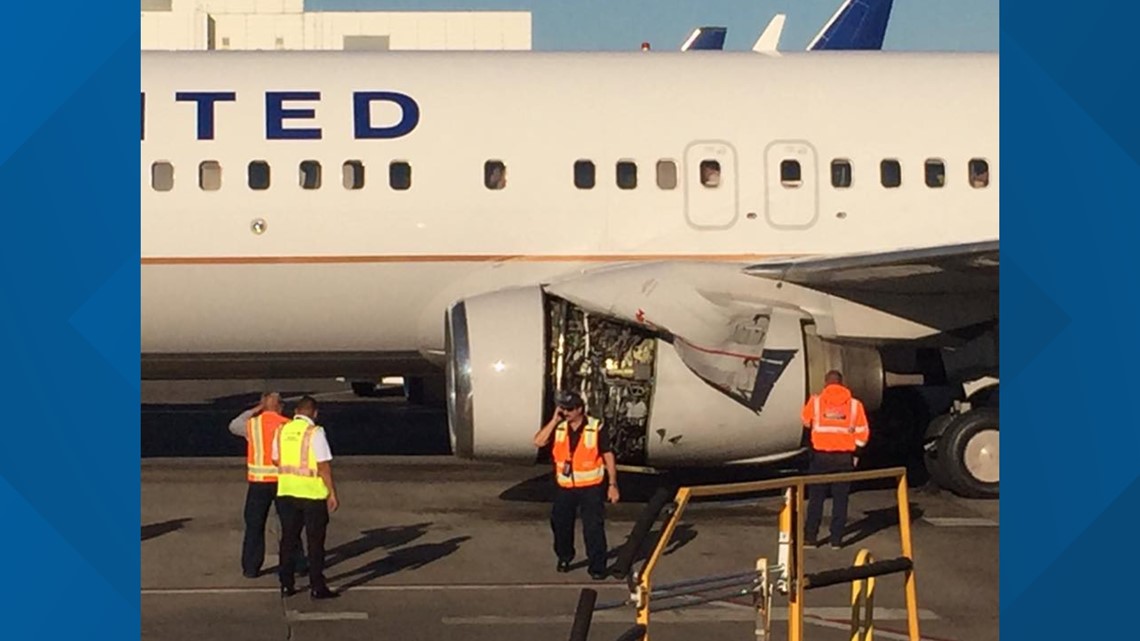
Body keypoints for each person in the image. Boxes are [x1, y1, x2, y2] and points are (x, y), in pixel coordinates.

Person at [533, 390, 620, 580]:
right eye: (563, 408)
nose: (566, 412)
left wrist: (612, 484)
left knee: (593, 528)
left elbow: (608, 456)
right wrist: (554, 420)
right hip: (565, 487)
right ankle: (564, 556)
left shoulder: (596, 427)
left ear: (580, 409)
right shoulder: (559, 427)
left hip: (591, 487)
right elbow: (538, 441)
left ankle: (597, 565)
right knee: (560, 524)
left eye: (570, 409)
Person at [273, 395, 340, 599]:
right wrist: (332, 493)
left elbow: (276, 459)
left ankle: (286, 584)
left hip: (286, 492)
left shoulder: (282, 430)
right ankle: (317, 586)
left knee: (288, 540)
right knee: (315, 542)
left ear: (296, 412)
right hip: (312, 495)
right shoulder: (316, 433)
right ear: (315, 413)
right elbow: (323, 466)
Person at [801, 370, 870, 549]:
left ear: (826, 383)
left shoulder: (816, 402)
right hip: (844, 458)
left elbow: (806, 422)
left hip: (820, 457)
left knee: (816, 498)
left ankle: (810, 538)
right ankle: (836, 539)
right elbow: (863, 434)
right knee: (841, 499)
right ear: (842, 383)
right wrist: (856, 453)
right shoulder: (855, 405)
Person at [228, 392, 293, 578]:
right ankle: (296, 563)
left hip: (258, 484)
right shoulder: (287, 425)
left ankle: (251, 567)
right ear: (280, 406)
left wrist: (255, 410)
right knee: (290, 525)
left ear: (263, 405)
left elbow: (233, 425)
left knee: (254, 526)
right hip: (283, 482)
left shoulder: (252, 425)